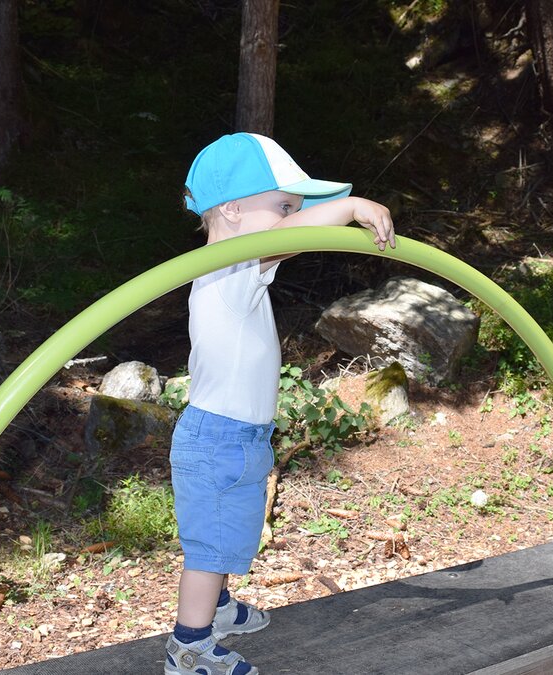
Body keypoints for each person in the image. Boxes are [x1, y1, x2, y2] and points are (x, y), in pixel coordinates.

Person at [164, 132, 395, 675]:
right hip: (217, 437)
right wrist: (352, 207)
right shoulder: (227, 263)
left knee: (229, 533)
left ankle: (217, 610)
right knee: (209, 550)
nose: (295, 217)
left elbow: (289, 239)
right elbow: (289, 237)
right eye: (285, 205)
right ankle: (189, 648)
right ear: (235, 209)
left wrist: (322, 218)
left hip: (239, 436)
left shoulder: (242, 265)